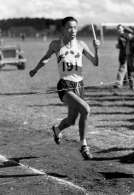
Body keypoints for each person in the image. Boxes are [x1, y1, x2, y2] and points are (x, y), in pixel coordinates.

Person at [29, 16, 100, 160]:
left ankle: (57, 129)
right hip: (65, 86)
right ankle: (83, 145)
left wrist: (96, 49)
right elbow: (46, 57)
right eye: (69, 27)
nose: (73, 30)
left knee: (71, 120)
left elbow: (95, 62)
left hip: (79, 85)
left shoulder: (81, 44)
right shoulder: (56, 44)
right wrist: (36, 69)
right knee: (85, 109)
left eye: (75, 27)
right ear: (62, 29)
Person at [113, 24, 128, 88]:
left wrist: (119, 46)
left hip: (125, 54)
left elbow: (125, 46)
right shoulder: (120, 36)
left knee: (122, 69)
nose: (118, 30)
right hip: (121, 54)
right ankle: (126, 82)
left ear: (123, 29)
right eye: (118, 28)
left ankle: (118, 83)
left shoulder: (124, 36)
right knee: (124, 68)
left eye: (120, 28)